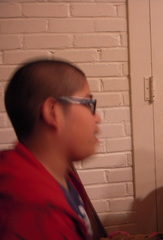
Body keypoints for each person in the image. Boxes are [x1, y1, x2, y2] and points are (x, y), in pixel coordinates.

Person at [0, 59, 104, 240]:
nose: (97, 118)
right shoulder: (35, 212)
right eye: (88, 104)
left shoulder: (57, 174)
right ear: (52, 112)